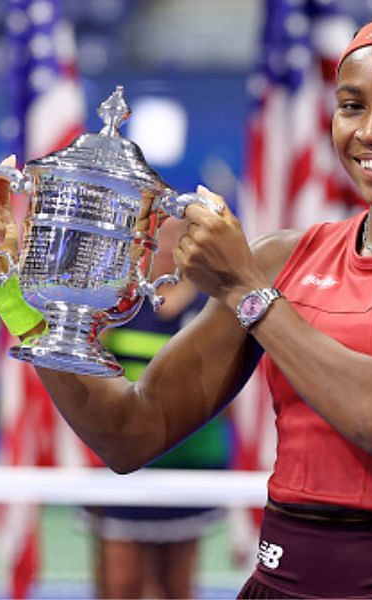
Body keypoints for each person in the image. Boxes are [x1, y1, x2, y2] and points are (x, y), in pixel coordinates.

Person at [0, 11, 372, 598]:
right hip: (278, 585)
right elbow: (127, 434)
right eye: (351, 105)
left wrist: (244, 289)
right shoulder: (280, 260)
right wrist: (18, 292)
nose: (371, 130)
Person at [81, 218, 232, 600]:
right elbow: (89, 382)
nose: (166, 244)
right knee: (121, 583)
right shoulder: (118, 304)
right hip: (123, 463)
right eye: (159, 235)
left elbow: (225, 394)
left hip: (190, 462)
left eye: (177, 236)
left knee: (177, 586)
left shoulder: (213, 307)